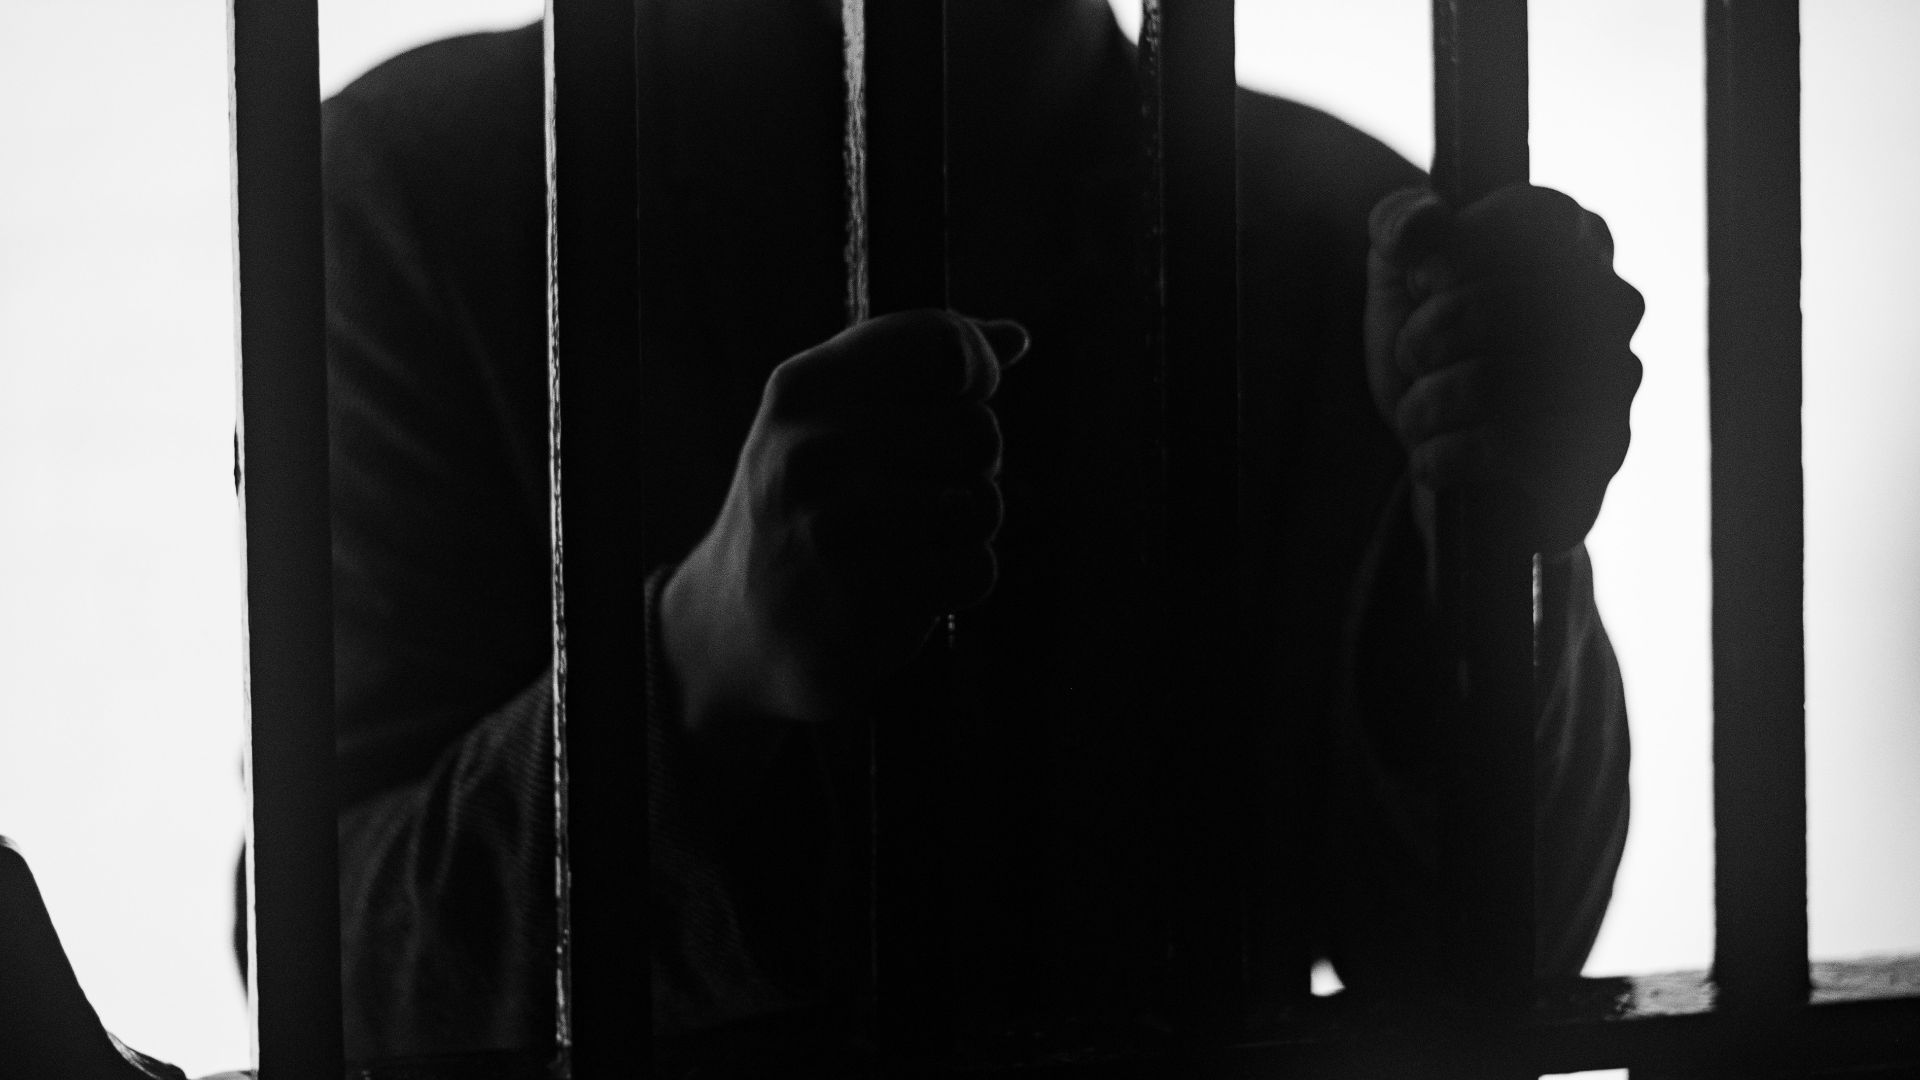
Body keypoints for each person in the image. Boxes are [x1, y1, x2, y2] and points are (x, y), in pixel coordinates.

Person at [315, 0, 1639, 1066]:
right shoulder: (424, 187)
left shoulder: (1323, 230)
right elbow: (339, 971)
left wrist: (1494, 548)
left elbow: (1488, 960)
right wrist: (702, 653)